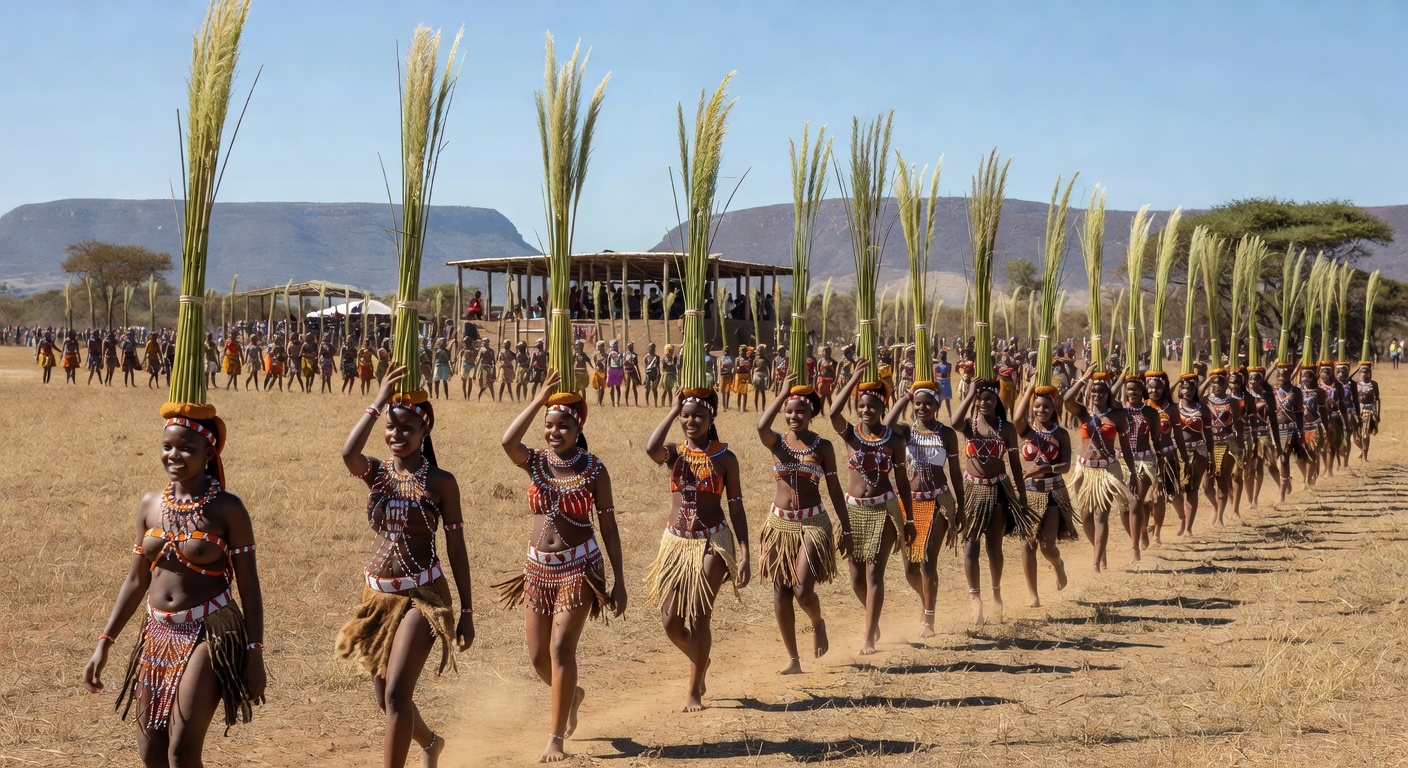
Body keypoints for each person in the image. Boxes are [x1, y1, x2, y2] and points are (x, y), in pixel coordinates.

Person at [83, 408, 266, 765]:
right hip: (158, 632)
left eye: (186, 449)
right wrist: (104, 643)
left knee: (181, 750)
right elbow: (136, 580)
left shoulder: (228, 509)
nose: (173, 456)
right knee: (151, 750)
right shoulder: (150, 504)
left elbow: (249, 586)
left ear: (209, 452)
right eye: (167, 447)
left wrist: (254, 652)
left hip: (209, 630)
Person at [337, 366, 474, 768]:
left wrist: (467, 611)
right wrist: (378, 401)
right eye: (391, 427)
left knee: (397, 693)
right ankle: (431, 743)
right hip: (377, 598)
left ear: (425, 430)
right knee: (385, 697)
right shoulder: (377, 473)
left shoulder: (441, 483)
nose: (396, 434)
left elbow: (456, 548)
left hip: (423, 597)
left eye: (406, 428)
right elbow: (348, 454)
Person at [496, 372, 627, 761]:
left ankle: (555, 738)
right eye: (549, 425)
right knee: (539, 657)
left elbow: (609, 528)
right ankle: (572, 694)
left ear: (579, 427)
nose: (555, 432)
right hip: (537, 570)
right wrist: (539, 400)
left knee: (559, 648)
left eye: (563, 426)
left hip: (580, 568)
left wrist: (619, 580)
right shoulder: (535, 462)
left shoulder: (594, 469)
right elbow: (507, 442)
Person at [644, 387, 751, 711]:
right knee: (671, 622)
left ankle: (694, 693)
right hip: (676, 542)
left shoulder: (725, 458)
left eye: (698, 416)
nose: (691, 421)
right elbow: (651, 449)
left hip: (713, 541)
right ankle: (700, 659)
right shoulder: (673, 453)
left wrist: (745, 553)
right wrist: (671, 409)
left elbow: (736, 508)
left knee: (700, 615)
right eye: (686, 416)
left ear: (711, 417)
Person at [756, 381, 849, 672]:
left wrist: (846, 529)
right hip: (779, 525)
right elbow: (761, 426)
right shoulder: (776, 442)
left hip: (813, 523)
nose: (793, 416)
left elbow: (835, 489)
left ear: (811, 414)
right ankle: (793, 659)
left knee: (802, 590)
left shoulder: (823, 447)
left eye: (800, 412)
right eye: (789, 411)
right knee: (780, 591)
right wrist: (782, 393)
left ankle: (817, 622)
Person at [827, 360, 916, 649]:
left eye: (871, 406)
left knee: (874, 574)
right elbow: (833, 412)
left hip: (884, 511)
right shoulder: (850, 434)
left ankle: (868, 637)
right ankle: (872, 620)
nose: (866, 410)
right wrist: (854, 379)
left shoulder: (895, 441)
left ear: (882, 407)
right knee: (856, 579)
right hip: (853, 511)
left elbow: (902, 482)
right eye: (861, 406)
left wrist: (909, 520)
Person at [952, 375, 1033, 623]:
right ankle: (975, 598)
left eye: (988, 398)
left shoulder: (1005, 428)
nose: (983, 403)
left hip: (998, 490)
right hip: (973, 492)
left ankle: (996, 592)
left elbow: (1016, 465)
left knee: (994, 548)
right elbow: (954, 422)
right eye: (980, 399)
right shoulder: (969, 426)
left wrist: (1022, 497)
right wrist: (971, 392)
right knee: (970, 544)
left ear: (997, 400)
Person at [885, 379, 962, 637]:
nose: (922, 408)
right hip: (908, 504)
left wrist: (961, 507)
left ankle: (930, 618)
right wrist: (905, 397)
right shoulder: (906, 433)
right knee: (910, 568)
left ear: (937, 406)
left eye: (928, 404)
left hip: (938, 502)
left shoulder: (946, 434)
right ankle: (924, 598)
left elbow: (955, 472)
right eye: (918, 403)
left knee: (928, 561)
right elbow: (886, 425)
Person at [1011, 376, 1074, 608]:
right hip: (1028, 494)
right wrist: (1029, 388)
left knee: (1048, 545)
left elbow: (1065, 466)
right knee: (1029, 544)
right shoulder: (1024, 430)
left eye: (1046, 407)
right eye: (1037, 406)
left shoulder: (1062, 435)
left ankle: (1057, 564)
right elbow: (1016, 418)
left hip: (1053, 493)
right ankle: (1033, 595)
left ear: (1054, 408)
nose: (1041, 410)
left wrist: (1045, 469)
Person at [1063, 369, 1135, 570]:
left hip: (1107, 471)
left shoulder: (1118, 416)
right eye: (1093, 391)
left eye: (1101, 391)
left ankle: (1096, 563)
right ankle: (1100, 553)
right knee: (1086, 517)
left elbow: (1126, 448)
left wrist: (1132, 473)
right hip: (1084, 471)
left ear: (1108, 394)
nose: (1097, 394)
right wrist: (1083, 379)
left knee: (1100, 516)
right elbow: (1067, 400)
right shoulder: (1083, 413)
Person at [1352, 362, 1380, 461]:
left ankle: (1365, 455)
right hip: (1357, 412)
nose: (1364, 374)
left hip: (1368, 411)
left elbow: (1377, 400)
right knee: (1355, 436)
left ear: (1369, 373)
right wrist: (1358, 367)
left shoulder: (1373, 384)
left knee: (1365, 434)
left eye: (1366, 372)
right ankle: (1362, 449)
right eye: (1362, 372)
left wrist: (1377, 414)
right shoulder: (1355, 384)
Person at [623, 341, 642, 407]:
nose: (630, 348)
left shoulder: (635, 355)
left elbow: (636, 365)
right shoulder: (625, 355)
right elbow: (623, 365)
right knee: (627, 387)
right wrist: (623, 374)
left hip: (633, 371)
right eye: (629, 347)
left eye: (631, 347)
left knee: (634, 387)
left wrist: (639, 375)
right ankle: (626, 402)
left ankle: (636, 402)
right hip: (627, 372)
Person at [644, 342, 661, 407]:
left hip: (655, 374)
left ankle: (655, 403)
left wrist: (658, 374)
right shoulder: (646, 357)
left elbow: (658, 366)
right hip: (648, 374)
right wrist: (646, 375)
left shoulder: (657, 357)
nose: (652, 349)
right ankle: (647, 403)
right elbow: (645, 366)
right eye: (651, 347)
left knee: (654, 389)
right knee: (647, 389)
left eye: (653, 347)